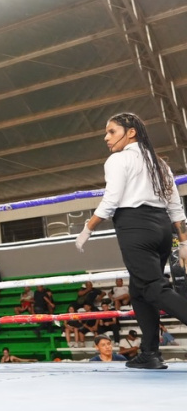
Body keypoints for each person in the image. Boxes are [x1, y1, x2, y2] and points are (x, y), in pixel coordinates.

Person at [75, 113, 187, 370]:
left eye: (111, 131)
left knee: (152, 287)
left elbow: (111, 200)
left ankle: (150, 352)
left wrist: (87, 229)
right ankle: (149, 353)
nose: (106, 137)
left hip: (135, 227)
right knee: (138, 292)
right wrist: (183, 242)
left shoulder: (118, 160)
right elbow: (175, 207)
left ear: (131, 132)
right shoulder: (160, 164)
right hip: (161, 229)